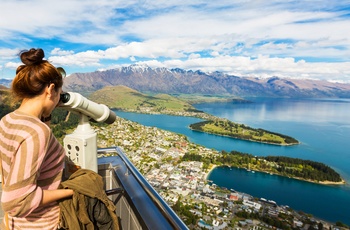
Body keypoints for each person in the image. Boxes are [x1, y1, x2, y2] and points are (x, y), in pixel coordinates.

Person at [0, 48, 73, 229]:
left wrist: (46, 115)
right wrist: (70, 191)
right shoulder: (37, 132)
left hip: (17, 224)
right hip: (41, 224)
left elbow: (27, 159)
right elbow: (16, 201)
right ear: (50, 89)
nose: (58, 100)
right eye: (58, 94)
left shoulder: (7, 120)